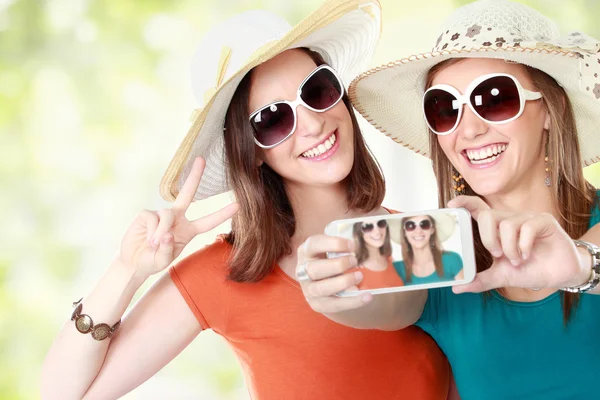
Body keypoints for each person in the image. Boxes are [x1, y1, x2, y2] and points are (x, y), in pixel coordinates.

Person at [40, 1, 453, 399]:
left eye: (318, 90)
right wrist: (128, 270)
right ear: (251, 150)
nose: (311, 123)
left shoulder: (422, 238)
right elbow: (61, 395)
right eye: (274, 119)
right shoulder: (227, 274)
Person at [297, 1, 600, 399]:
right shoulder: (443, 257)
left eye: (494, 97)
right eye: (444, 109)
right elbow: (387, 308)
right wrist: (336, 294)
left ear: (548, 108)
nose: (469, 130)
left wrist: (580, 266)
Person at [391, 214, 463, 284]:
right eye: (410, 226)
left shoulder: (451, 259)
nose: (418, 231)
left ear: (432, 230)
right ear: (404, 232)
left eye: (424, 224)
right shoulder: (396, 269)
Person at [347, 219, 404, 289]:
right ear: (359, 233)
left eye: (381, 223)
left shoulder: (390, 259)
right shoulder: (351, 272)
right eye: (368, 226)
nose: (377, 231)